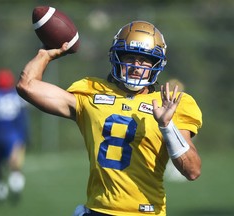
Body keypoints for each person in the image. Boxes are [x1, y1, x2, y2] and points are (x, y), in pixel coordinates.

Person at [16, 21, 202, 215]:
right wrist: (45, 54)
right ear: (117, 57)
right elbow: (27, 86)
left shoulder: (169, 103)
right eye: (129, 57)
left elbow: (192, 171)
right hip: (98, 210)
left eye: (144, 59)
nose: (136, 66)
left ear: (157, 64)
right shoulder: (91, 92)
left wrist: (167, 125)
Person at [0, 69, 29, 201]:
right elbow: (23, 118)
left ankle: (0, 189)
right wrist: (25, 136)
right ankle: (16, 185)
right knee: (15, 164)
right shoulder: (16, 96)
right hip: (13, 134)